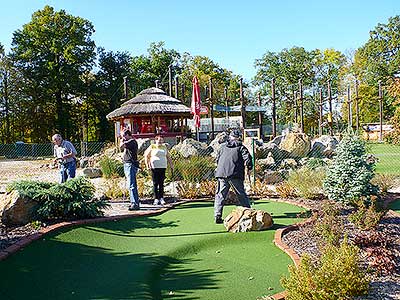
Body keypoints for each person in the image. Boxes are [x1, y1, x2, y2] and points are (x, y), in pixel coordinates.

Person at [214, 129, 253, 224]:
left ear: (230, 137)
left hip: (221, 173)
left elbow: (217, 159)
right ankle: (249, 213)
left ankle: (217, 215)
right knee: (241, 194)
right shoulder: (241, 147)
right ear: (239, 138)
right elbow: (247, 159)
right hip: (235, 174)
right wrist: (249, 167)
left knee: (220, 195)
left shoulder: (222, 147)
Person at [144, 135, 174, 206]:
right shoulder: (152, 146)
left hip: (163, 167)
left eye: (161, 140)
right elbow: (146, 156)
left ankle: (161, 198)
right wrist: (147, 165)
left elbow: (168, 157)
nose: (160, 141)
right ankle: (156, 198)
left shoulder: (164, 147)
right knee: (155, 183)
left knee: (161, 183)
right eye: (159, 140)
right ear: (156, 140)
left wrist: (171, 165)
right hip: (154, 167)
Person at [120, 129, 140, 211]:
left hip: (130, 165)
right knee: (130, 184)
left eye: (124, 136)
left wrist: (121, 140)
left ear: (128, 135)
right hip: (128, 164)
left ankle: (135, 203)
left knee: (131, 184)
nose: (123, 137)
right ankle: (133, 202)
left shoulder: (132, 141)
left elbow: (121, 146)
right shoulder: (130, 142)